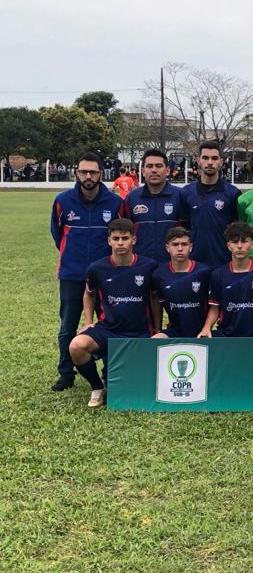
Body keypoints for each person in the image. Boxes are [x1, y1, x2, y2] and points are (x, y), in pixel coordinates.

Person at [49, 152, 127, 391]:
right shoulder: (63, 201)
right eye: (84, 172)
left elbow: (121, 234)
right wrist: (72, 256)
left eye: (93, 172)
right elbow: (58, 234)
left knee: (109, 325)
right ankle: (66, 373)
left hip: (106, 276)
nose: (88, 176)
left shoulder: (115, 203)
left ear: (101, 174)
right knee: (68, 326)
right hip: (72, 274)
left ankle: (108, 373)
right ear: (77, 173)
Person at [68, 219, 158, 407]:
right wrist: (88, 321)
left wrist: (156, 329)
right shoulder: (97, 268)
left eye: (125, 238)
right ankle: (97, 387)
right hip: (108, 329)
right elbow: (89, 294)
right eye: (116, 238)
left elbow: (154, 299)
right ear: (109, 241)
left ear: (134, 240)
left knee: (135, 387)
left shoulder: (149, 266)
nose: (120, 243)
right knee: (77, 346)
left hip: (139, 332)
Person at [199, 222, 253, 337]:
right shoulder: (217, 274)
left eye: (244, 241)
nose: (239, 246)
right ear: (229, 246)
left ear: (252, 244)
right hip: (225, 336)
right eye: (235, 242)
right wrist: (206, 328)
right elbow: (215, 308)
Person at [180, 140, 241, 269]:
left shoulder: (232, 193)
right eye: (205, 158)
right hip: (193, 264)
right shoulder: (186, 193)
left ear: (221, 162)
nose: (209, 162)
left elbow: (237, 232)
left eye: (214, 158)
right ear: (198, 160)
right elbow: (183, 229)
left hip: (224, 264)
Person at [125, 148, 186, 262]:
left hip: (172, 265)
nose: (154, 170)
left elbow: (189, 232)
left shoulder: (181, 196)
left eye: (158, 166)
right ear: (143, 171)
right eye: (149, 166)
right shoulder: (131, 198)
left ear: (167, 170)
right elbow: (125, 234)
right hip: (141, 265)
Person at [151, 227, 211, 339]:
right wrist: (158, 329)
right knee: (154, 341)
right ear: (167, 248)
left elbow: (214, 304)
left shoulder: (204, 271)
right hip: (174, 331)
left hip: (201, 332)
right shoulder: (159, 275)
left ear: (190, 247)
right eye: (175, 244)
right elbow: (157, 302)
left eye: (184, 244)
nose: (180, 248)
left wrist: (207, 328)